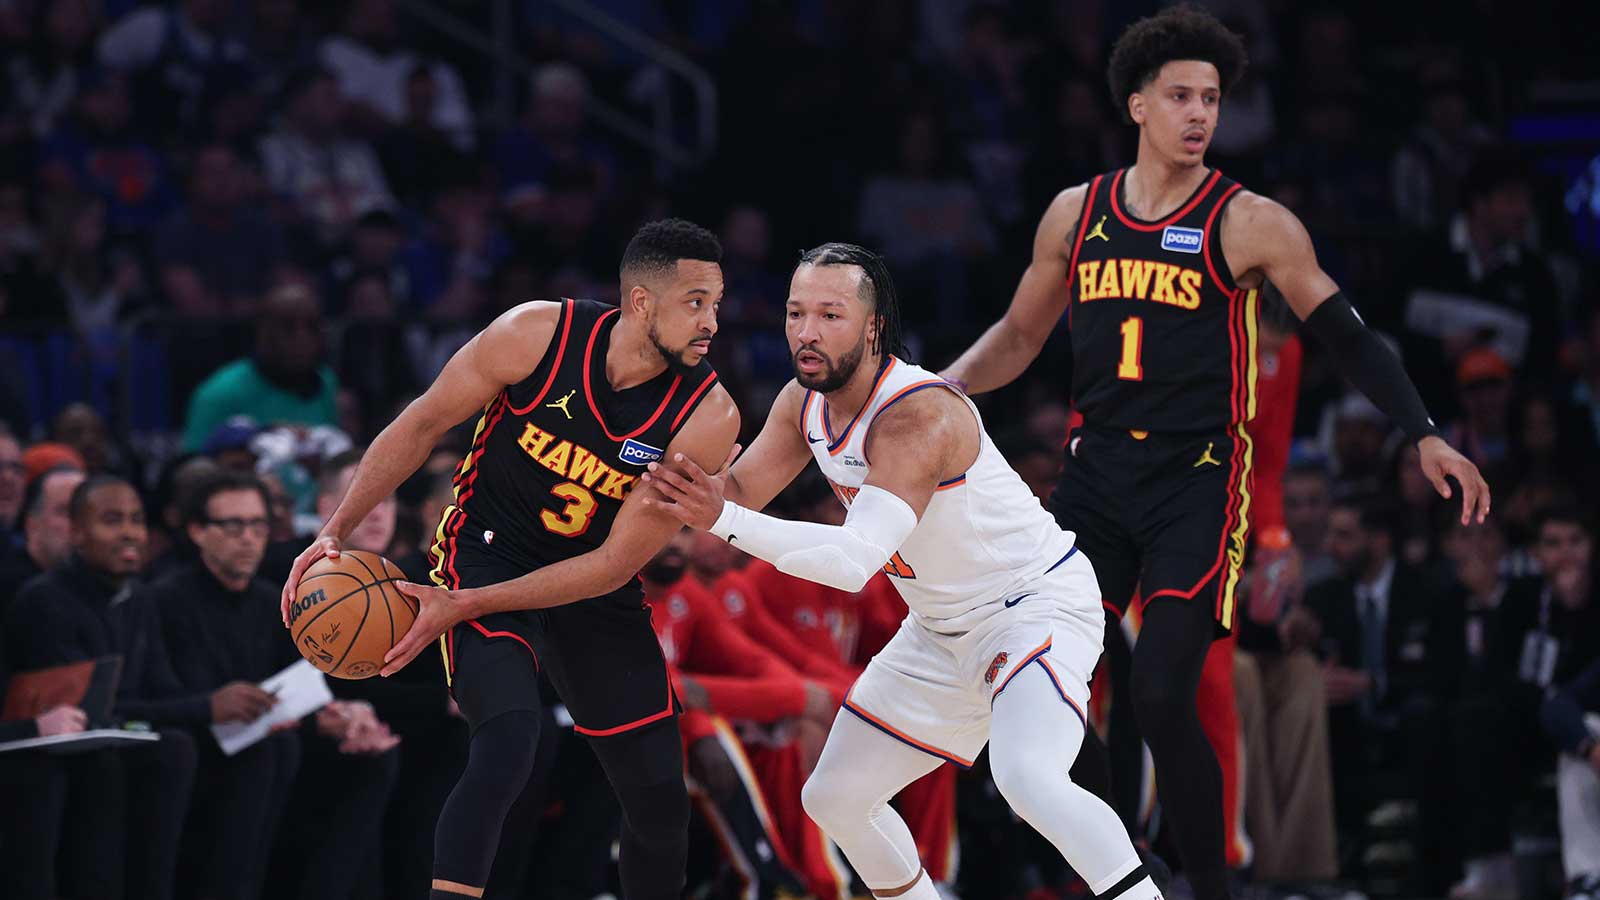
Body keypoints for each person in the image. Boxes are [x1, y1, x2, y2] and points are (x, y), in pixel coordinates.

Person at [938, 9, 1490, 898]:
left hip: (1199, 481)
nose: (1200, 114)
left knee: (1162, 694)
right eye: (1182, 96)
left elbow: (1346, 335)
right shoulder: (1076, 213)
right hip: (1095, 474)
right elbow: (1017, 335)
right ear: (1137, 105)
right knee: (1061, 689)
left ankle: (1211, 887)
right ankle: (1117, 878)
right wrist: (940, 391)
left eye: (1214, 99)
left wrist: (1422, 432)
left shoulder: (1250, 222)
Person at [641, 243, 1160, 900]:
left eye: (830, 315)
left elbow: (852, 562)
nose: (806, 331)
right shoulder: (802, 401)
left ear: (874, 327)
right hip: (941, 627)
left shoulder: (919, 416)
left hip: (1032, 608)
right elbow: (737, 492)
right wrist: (674, 476)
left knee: (1028, 777)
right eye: (796, 312)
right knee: (834, 797)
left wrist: (719, 516)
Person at [280, 218, 740, 900]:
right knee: (507, 745)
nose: (711, 324)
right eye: (695, 303)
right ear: (642, 303)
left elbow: (615, 566)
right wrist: (335, 531)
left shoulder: (708, 417)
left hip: (589, 585)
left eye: (717, 304)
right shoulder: (535, 334)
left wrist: (461, 607)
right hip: (487, 549)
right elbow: (423, 422)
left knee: (658, 801)